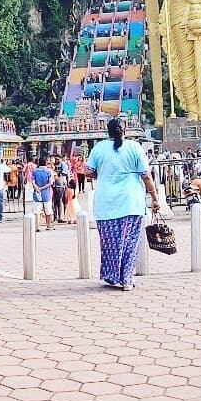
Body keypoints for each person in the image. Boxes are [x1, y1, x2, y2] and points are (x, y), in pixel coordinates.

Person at [83, 118, 160, 291]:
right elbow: (146, 175)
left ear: (107, 131)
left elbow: (87, 171)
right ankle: (126, 279)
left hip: (106, 204)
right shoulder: (134, 147)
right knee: (130, 242)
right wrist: (154, 197)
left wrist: (100, 174)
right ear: (124, 130)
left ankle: (112, 276)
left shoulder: (99, 148)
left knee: (110, 242)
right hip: (131, 202)